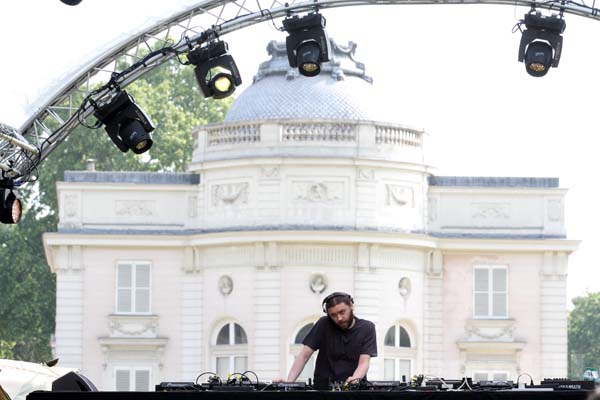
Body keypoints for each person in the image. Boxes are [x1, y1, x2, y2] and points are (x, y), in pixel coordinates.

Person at [283, 292, 377, 386]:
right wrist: (288, 384)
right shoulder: (323, 324)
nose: (339, 318)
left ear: (351, 306)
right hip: (323, 389)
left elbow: (364, 362)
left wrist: (354, 381)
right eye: (333, 315)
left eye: (342, 312)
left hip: (353, 389)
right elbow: (303, 356)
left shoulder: (367, 328)